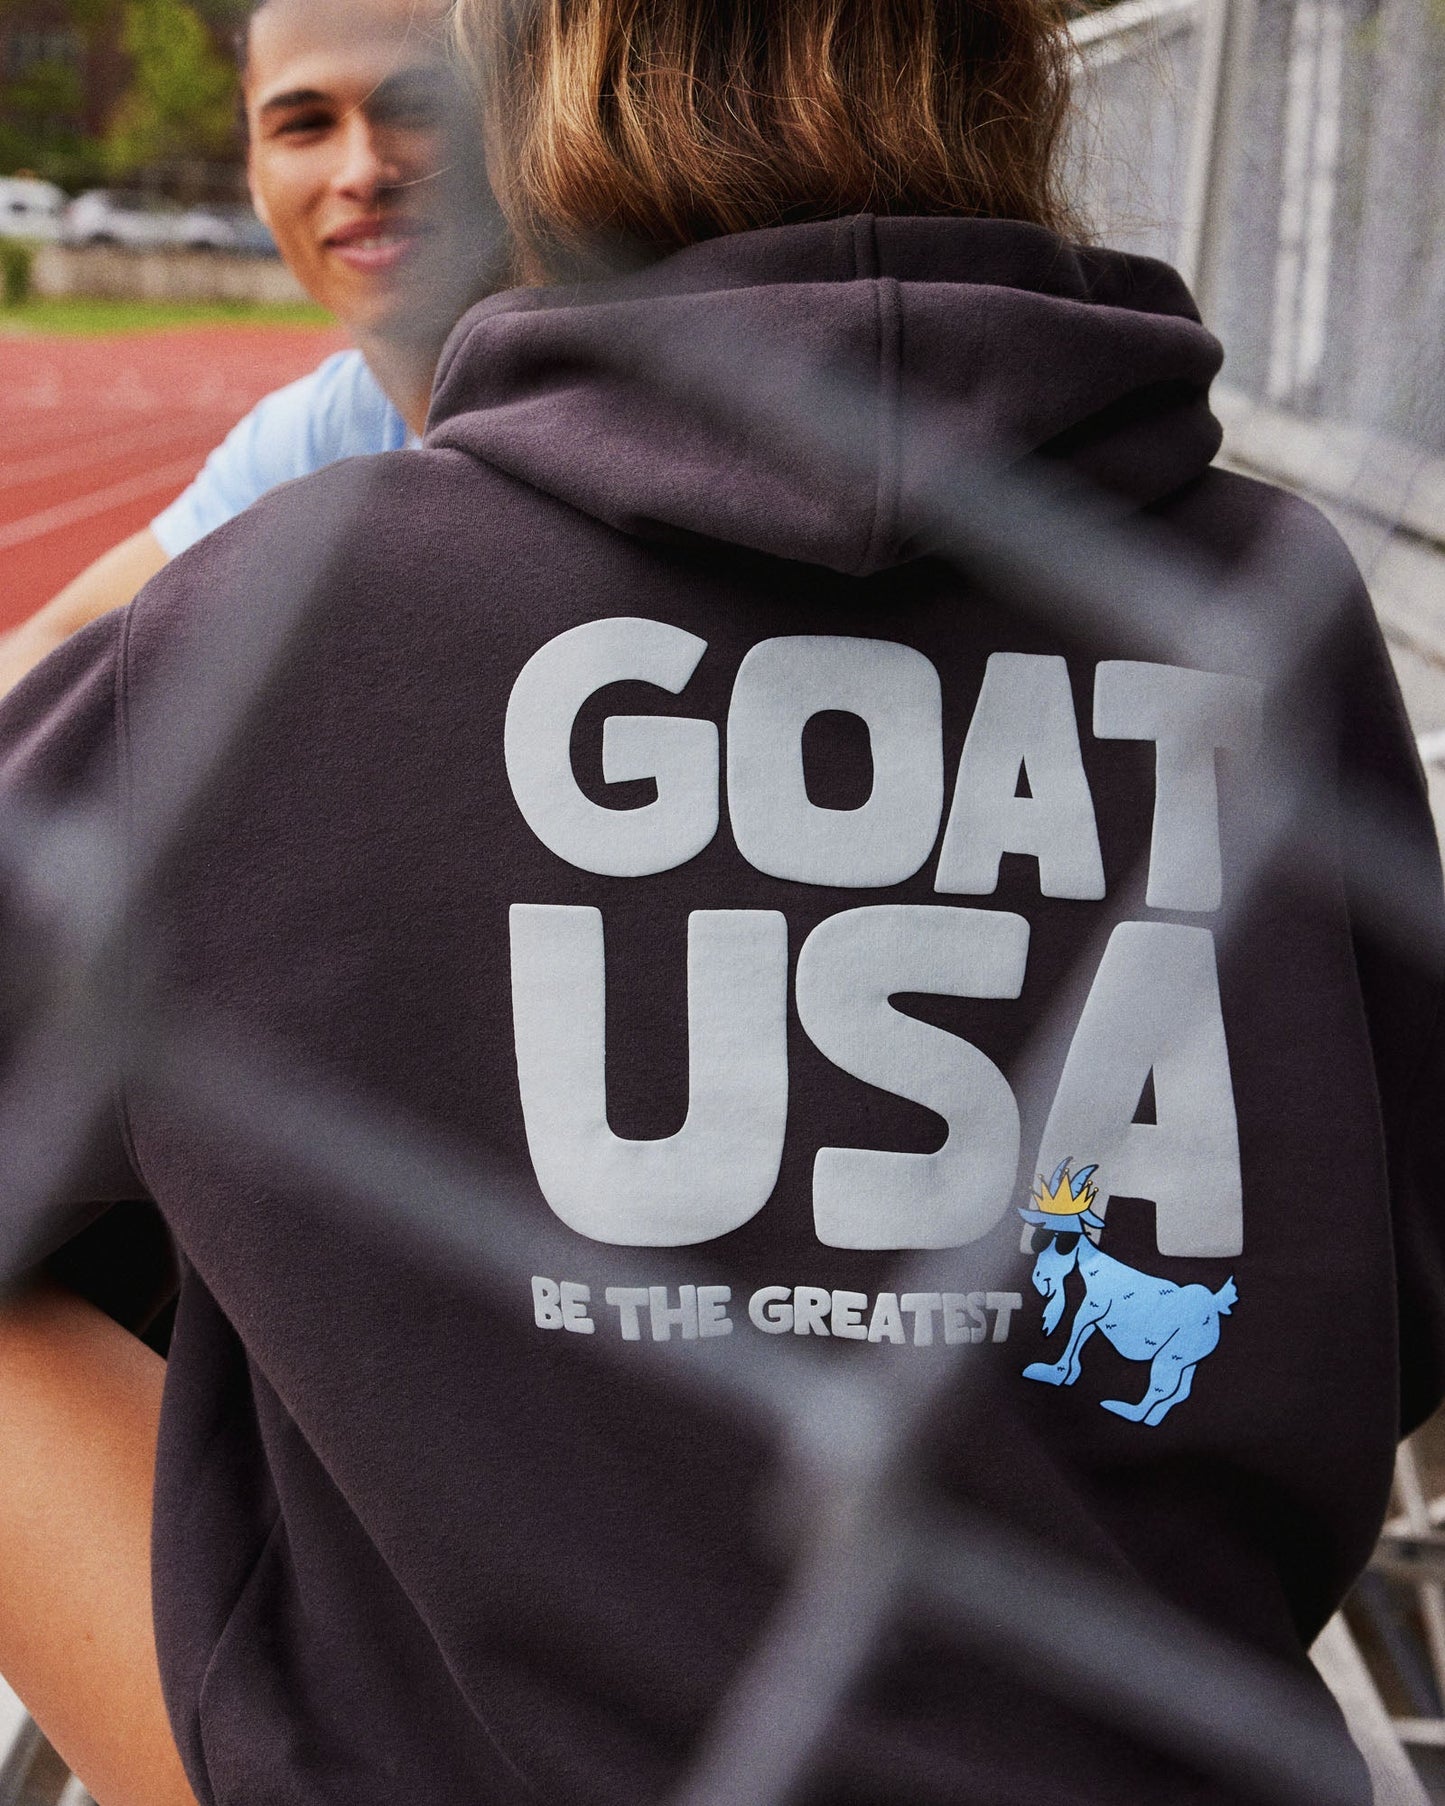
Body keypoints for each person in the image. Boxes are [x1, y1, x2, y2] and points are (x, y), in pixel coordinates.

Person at [2, 2, 1444, 1804]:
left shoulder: (289, 619)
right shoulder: (1274, 608)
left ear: (517, 83)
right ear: (1017, 66)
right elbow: (1371, 1294)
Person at [0, 0, 502, 698]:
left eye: (415, 107)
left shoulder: (616, 401)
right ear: (255, 181)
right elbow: (49, 647)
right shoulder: (321, 429)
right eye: (304, 124)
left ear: (503, 135)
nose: (362, 170)